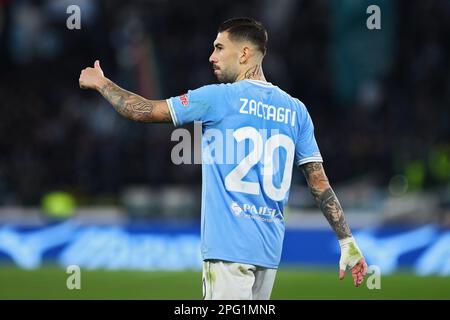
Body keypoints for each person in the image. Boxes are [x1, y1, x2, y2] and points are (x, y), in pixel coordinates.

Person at [79, 17, 367, 300]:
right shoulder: (296, 111)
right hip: (268, 254)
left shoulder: (218, 98)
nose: (211, 56)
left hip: (228, 251)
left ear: (244, 53)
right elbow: (319, 183)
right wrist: (346, 240)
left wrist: (102, 84)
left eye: (219, 48)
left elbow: (142, 111)